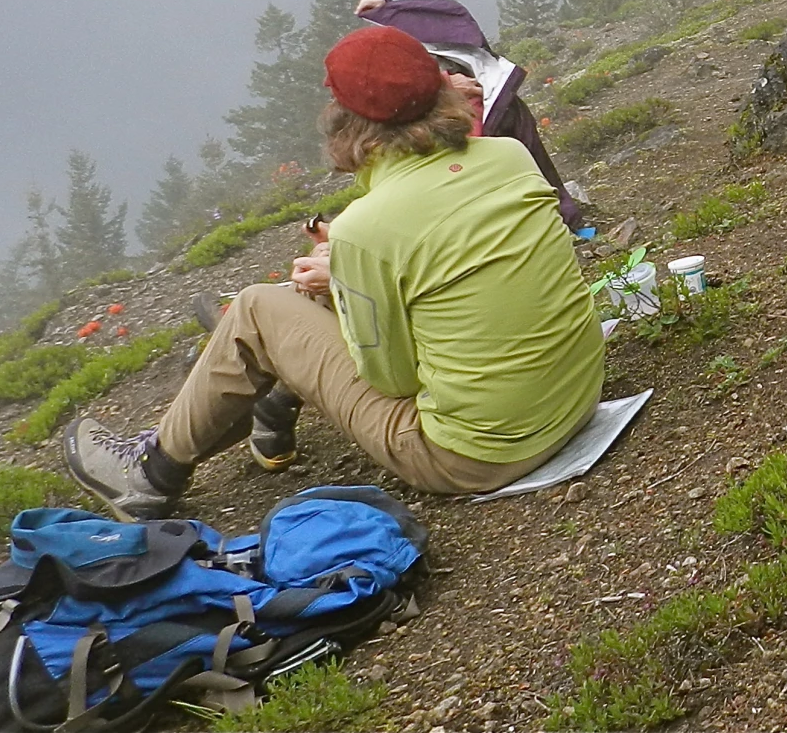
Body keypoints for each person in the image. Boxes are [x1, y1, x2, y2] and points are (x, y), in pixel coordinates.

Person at [64, 26, 606, 519]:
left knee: (257, 307)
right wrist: (349, 275)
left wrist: (348, 281)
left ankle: (149, 473)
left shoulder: (366, 229)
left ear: (348, 122)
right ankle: (270, 413)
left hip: (472, 455)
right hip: (573, 399)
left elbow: (391, 380)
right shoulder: (508, 155)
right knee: (311, 298)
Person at [354, 0, 577, 226]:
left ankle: (559, 223)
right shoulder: (475, 74)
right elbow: (452, 17)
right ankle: (562, 223)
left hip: (481, 118)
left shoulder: (417, 83)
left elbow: (452, 15)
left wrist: (390, 8)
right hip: (487, 108)